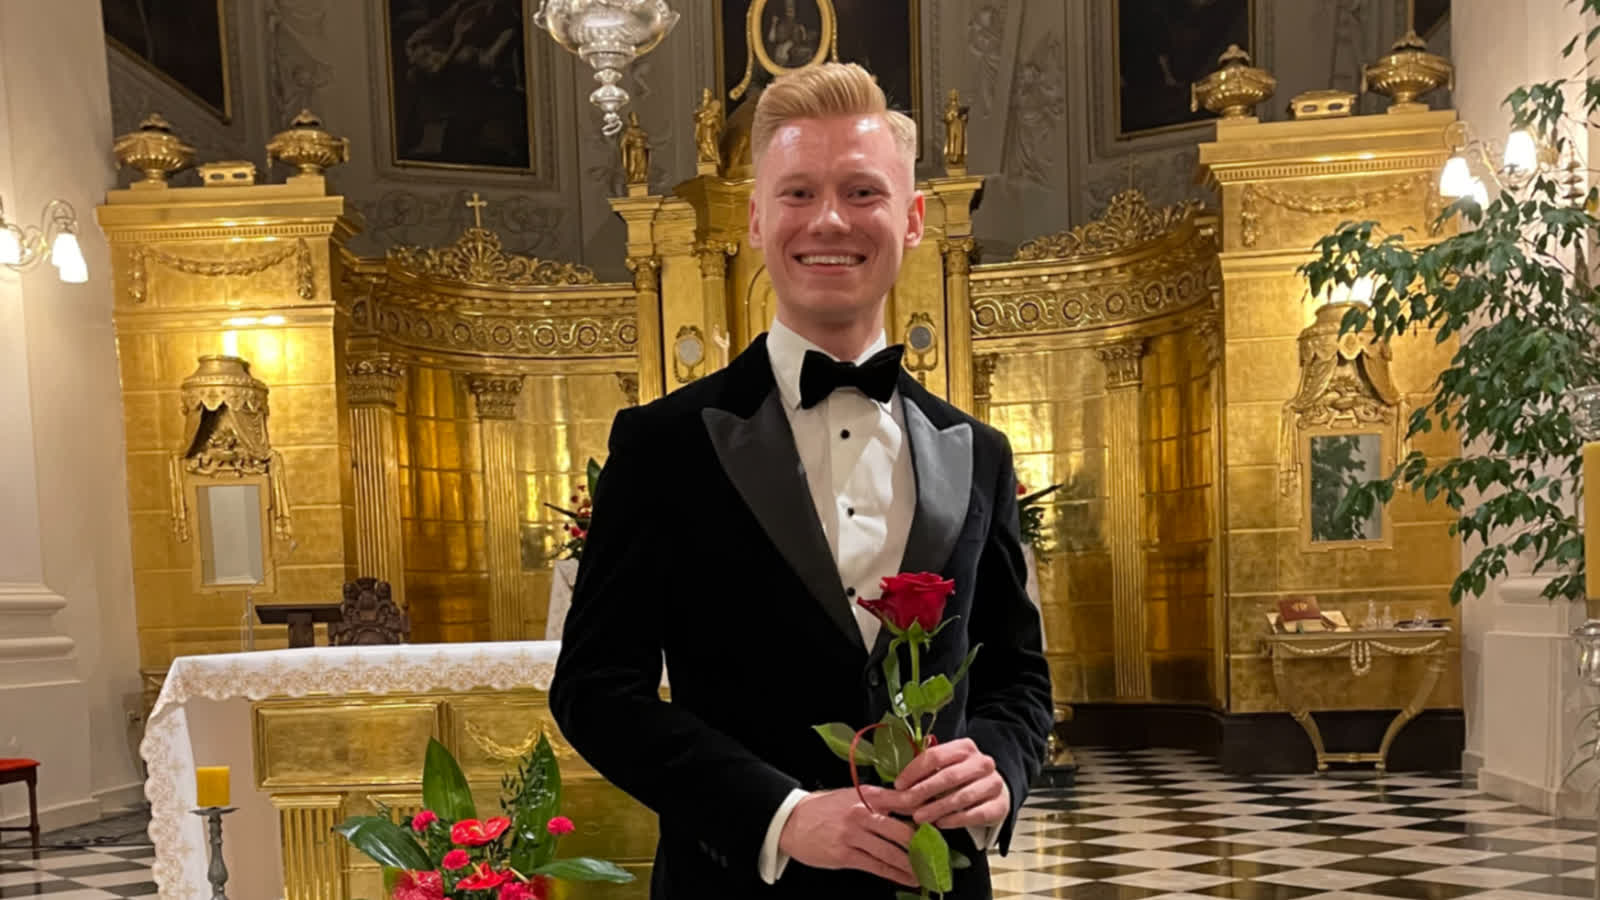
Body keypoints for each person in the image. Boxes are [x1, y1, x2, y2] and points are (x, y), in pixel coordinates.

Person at [550, 62, 1053, 899]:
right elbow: (595, 691)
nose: (829, 219)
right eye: (798, 193)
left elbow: (1018, 677)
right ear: (756, 218)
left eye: (862, 192)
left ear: (913, 219)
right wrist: (778, 815)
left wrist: (998, 767)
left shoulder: (979, 452)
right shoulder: (662, 445)